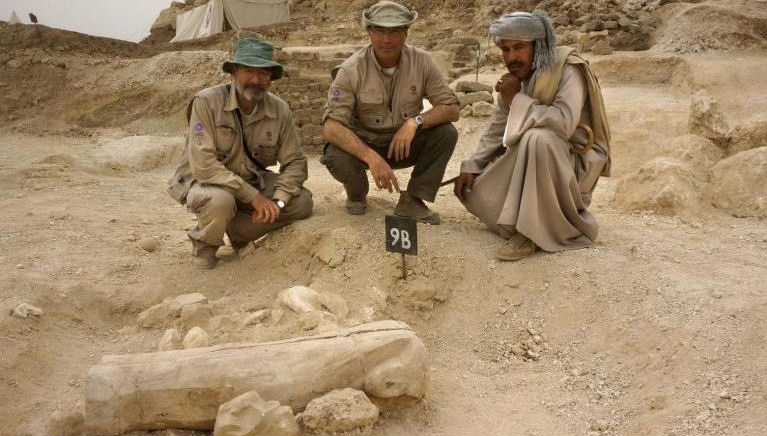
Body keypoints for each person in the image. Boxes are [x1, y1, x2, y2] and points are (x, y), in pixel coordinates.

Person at [455, 11, 611, 261]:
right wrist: (472, 166)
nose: (511, 57)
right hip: (537, 161)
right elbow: (496, 130)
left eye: (519, 47)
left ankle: (530, 234)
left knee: (537, 138)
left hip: (574, 163)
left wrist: (517, 99)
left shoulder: (567, 69)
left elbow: (563, 124)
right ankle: (524, 221)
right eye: (505, 49)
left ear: (539, 46)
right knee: (478, 191)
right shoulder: (517, 78)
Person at [168, 37, 312, 269]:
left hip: (250, 181)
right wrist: (254, 198)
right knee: (220, 201)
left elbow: (295, 162)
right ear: (233, 72)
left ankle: (239, 232)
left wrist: (278, 202)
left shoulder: (280, 110)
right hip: (206, 181)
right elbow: (204, 165)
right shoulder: (206, 102)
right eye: (248, 71)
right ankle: (205, 248)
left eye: (263, 73)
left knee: (302, 203)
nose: (256, 80)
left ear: (271, 77)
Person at [321, 0, 460, 224]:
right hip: (366, 144)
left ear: (406, 34)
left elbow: (451, 108)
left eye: (395, 31)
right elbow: (330, 127)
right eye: (379, 31)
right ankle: (356, 193)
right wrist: (370, 157)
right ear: (369, 33)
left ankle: (413, 200)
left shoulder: (423, 62)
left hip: (403, 145)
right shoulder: (350, 70)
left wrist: (415, 122)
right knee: (334, 153)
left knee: (446, 133)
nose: (387, 39)